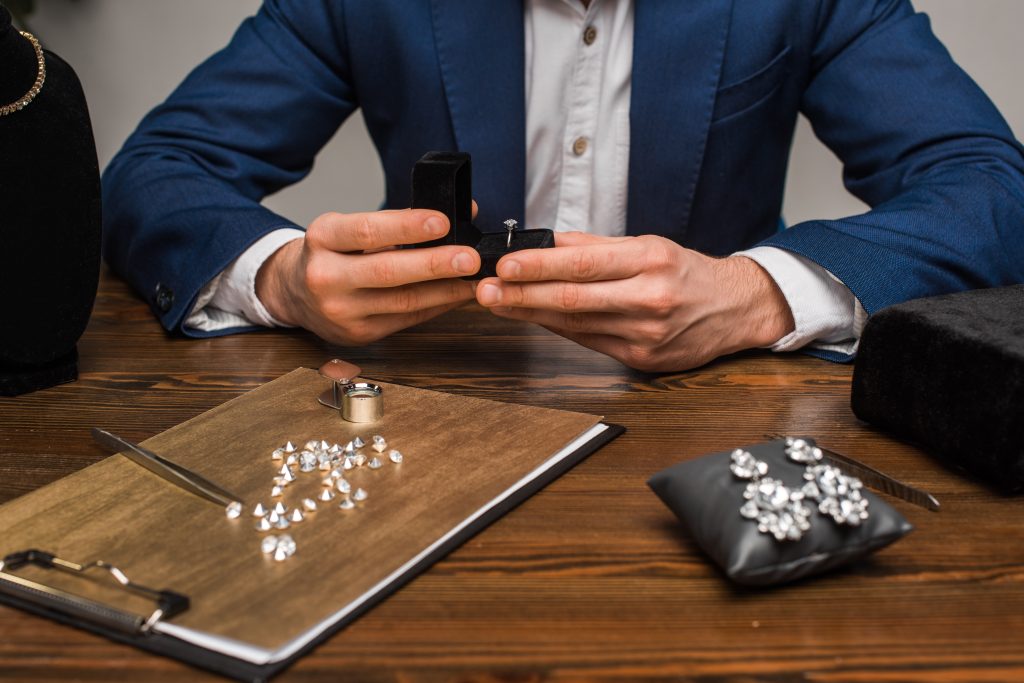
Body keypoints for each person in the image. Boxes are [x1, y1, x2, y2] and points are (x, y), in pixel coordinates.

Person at [102, 0, 1024, 371]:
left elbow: (988, 183)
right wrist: (283, 277)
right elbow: (157, 170)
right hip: (427, 415)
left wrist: (756, 296)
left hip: (725, 424)